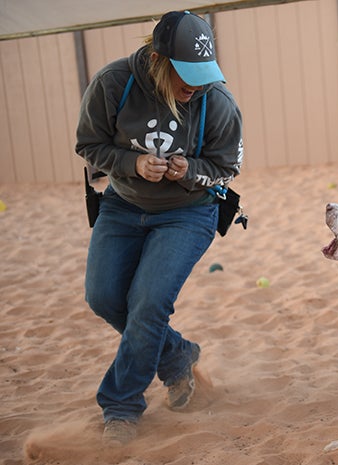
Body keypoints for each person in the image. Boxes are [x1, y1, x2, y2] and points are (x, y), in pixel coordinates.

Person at [75, 11, 243, 446]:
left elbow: (228, 167)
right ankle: (178, 357)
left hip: (189, 213)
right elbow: (88, 144)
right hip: (123, 206)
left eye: (203, 75)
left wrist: (189, 170)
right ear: (157, 59)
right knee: (104, 297)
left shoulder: (217, 103)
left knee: (147, 304)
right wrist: (132, 164)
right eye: (186, 76)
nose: (197, 86)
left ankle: (121, 407)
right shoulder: (113, 84)